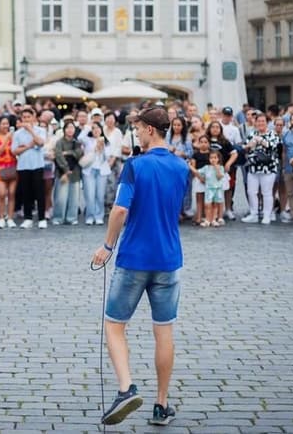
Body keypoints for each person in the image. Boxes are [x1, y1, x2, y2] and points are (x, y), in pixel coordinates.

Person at [91, 106, 188, 427]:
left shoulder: (134, 166)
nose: (137, 132)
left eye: (138, 128)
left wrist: (107, 245)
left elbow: (120, 210)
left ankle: (126, 388)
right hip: (169, 257)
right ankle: (162, 404)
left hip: (134, 257)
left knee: (115, 325)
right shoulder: (181, 166)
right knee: (164, 330)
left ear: (149, 129)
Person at [241, 113, 281, 225]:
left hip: (268, 168)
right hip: (253, 167)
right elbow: (244, 147)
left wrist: (261, 141)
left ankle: (267, 214)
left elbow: (274, 146)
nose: (260, 123)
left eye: (263, 121)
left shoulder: (272, 134)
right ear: (255, 122)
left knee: (267, 192)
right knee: (251, 191)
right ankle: (254, 214)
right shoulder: (252, 133)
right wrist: (250, 144)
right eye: (258, 121)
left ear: (267, 122)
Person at [12, 108, 48, 229]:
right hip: (23, 166)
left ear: (33, 117)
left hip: (37, 165)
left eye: (29, 116)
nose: (26, 119)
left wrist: (31, 131)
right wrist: (28, 146)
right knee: (26, 192)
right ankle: (28, 218)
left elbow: (41, 143)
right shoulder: (17, 134)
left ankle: (42, 218)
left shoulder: (40, 130)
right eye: (24, 117)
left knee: (39, 192)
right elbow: (14, 150)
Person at [79, 121, 113, 226]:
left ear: (101, 129)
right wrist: (88, 125)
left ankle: (99, 216)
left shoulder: (106, 142)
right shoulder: (87, 140)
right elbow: (79, 137)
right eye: (93, 128)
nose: (96, 130)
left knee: (100, 194)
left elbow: (108, 156)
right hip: (89, 170)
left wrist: (101, 147)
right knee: (90, 194)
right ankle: (90, 216)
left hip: (102, 171)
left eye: (98, 128)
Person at [52, 120, 83, 225]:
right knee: (61, 197)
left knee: (74, 198)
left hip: (75, 172)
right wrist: (66, 169)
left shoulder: (77, 142)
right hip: (62, 173)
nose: (70, 130)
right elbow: (59, 155)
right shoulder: (59, 142)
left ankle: (72, 218)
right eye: (68, 128)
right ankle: (58, 217)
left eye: (72, 128)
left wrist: (68, 153)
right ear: (64, 130)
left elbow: (79, 154)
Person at [0, 116, 17, 229]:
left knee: (11, 193)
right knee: (2, 194)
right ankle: (2, 217)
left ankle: (10, 217)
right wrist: (7, 138)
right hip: (0, 168)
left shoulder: (15, 137)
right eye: (3, 124)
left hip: (13, 167)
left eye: (7, 123)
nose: (5, 126)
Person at [195, 151, 225, 227]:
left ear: (218, 159)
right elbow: (198, 172)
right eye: (211, 158)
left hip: (217, 189)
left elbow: (219, 177)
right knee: (207, 205)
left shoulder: (221, 167)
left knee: (215, 205)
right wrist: (190, 167)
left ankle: (213, 219)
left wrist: (217, 169)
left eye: (215, 158)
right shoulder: (206, 168)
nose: (213, 160)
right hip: (209, 189)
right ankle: (207, 219)